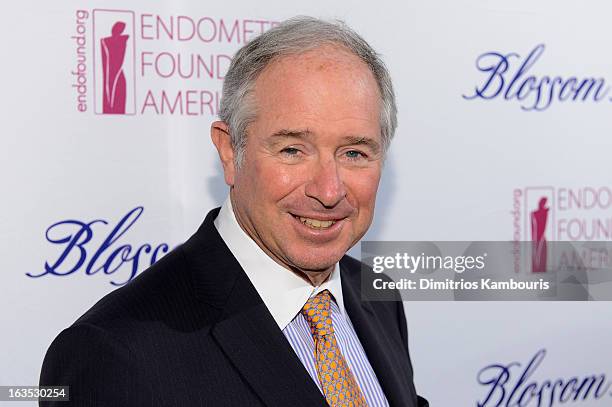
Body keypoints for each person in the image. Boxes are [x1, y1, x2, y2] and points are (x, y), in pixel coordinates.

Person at [40, 16, 428, 407]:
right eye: (292, 150)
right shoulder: (115, 354)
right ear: (229, 152)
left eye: (354, 153)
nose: (328, 191)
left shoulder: (378, 299)